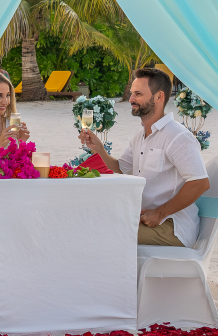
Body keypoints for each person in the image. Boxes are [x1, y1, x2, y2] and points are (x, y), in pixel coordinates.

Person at [79, 67, 209, 247]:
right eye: (132, 93)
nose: (131, 99)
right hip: (144, 219)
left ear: (159, 97)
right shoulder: (140, 135)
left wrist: (160, 213)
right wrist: (99, 149)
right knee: (90, 221)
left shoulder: (178, 136)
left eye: (138, 94)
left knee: (102, 233)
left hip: (171, 227)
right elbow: (121, 168)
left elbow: (200, 183)